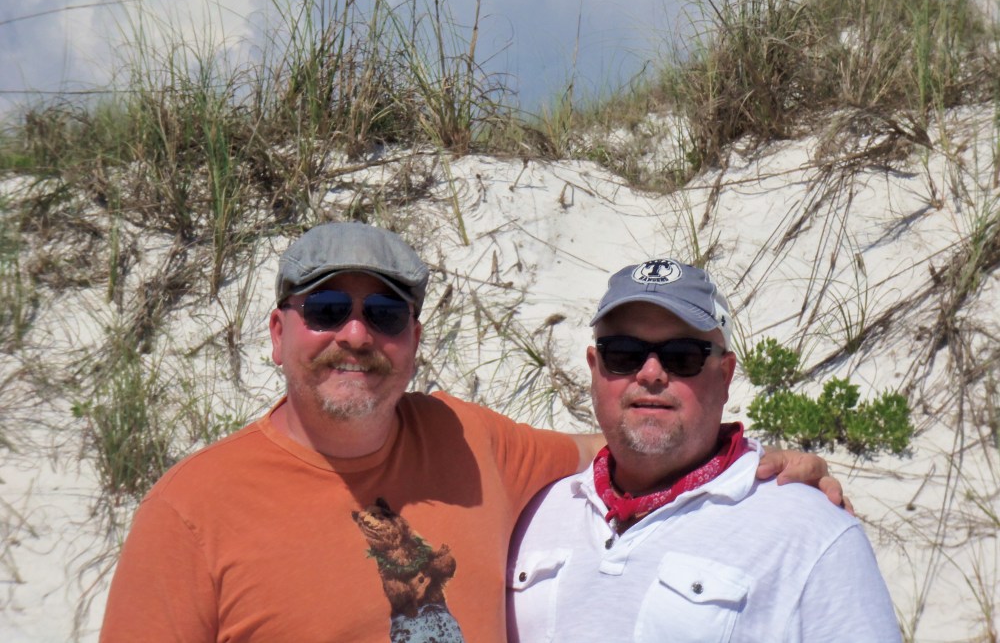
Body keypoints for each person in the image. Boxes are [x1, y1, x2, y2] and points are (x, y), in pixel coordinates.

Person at [101, 223, 846, 643]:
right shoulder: (191, 510)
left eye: (384, 315)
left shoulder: (468, 438)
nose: (354, 334)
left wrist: (755, 465)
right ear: (278, 333)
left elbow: (626, 444)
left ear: (413, 339)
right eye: (327, 309)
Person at [507, 258, 901, 642]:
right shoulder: (529, 508)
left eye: (683, 357)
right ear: (595, 367)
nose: (650, 373)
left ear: (725, 375)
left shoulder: (813, 532)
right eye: (624, 353)